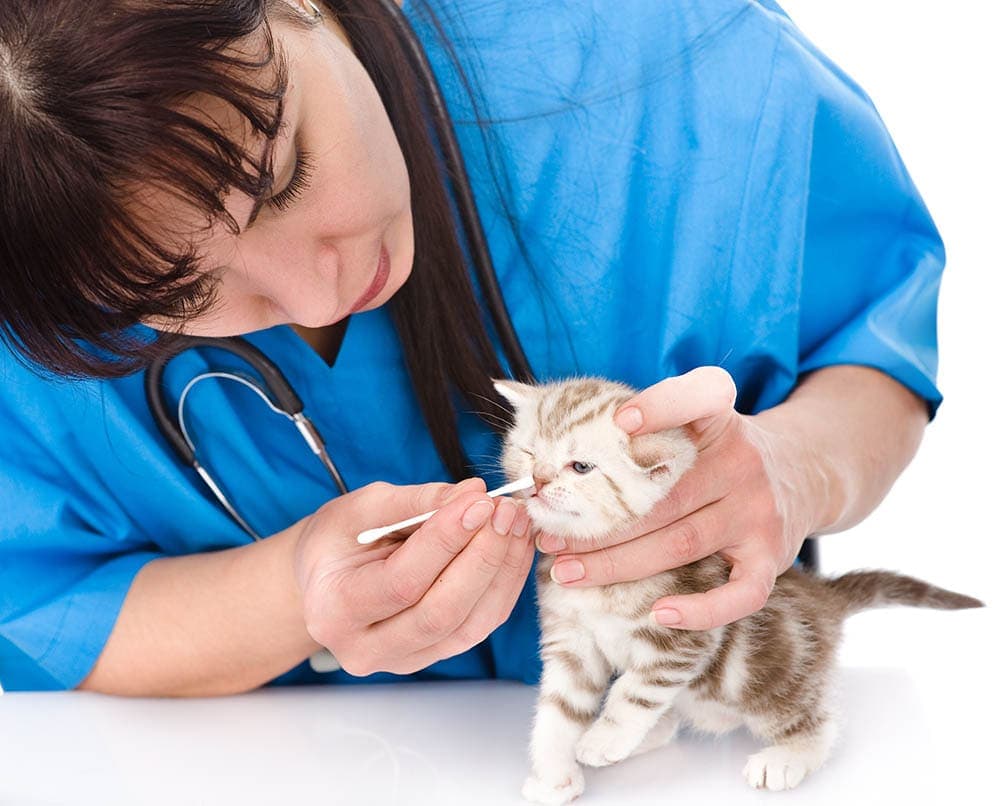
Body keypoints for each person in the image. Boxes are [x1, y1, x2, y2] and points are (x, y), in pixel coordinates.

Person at [0, 0, 939, 695]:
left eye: (281, 176)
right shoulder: (34, 318)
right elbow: (46, 611)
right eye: (184, 294)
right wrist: (290, 592)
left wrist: (789, 467)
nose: (318, 290)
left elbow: (873, 347)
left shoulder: (681, 65)